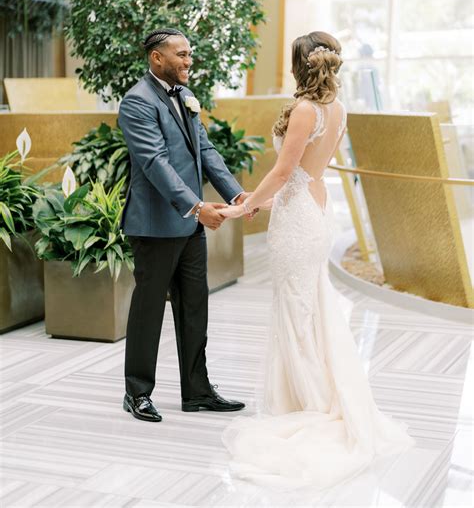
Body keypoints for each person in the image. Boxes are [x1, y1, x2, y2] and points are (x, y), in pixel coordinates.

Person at [221, 31, 413, 488]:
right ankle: (317, 395)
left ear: (298, 66)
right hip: (313, 207)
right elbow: (306, 171)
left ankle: (307, 404)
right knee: (308, 306)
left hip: (297, 217)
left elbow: (285, 170)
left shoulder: (306, 110)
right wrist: (260, 201)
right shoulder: (337, 109)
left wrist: (241, 207)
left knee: (296, 308)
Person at [118, 27, 248, 422]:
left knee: (195, 306)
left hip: (190, 226)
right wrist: (196, 208)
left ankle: (198, 391)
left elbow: (204, 150)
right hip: (156, 225)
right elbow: (155, 164)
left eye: (190, 54)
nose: (189, 61)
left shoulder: (187, 96)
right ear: (157, 58)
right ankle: (137, 393)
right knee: (149, 309)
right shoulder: (137, 103)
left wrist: (235, 195)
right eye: (181, 55)